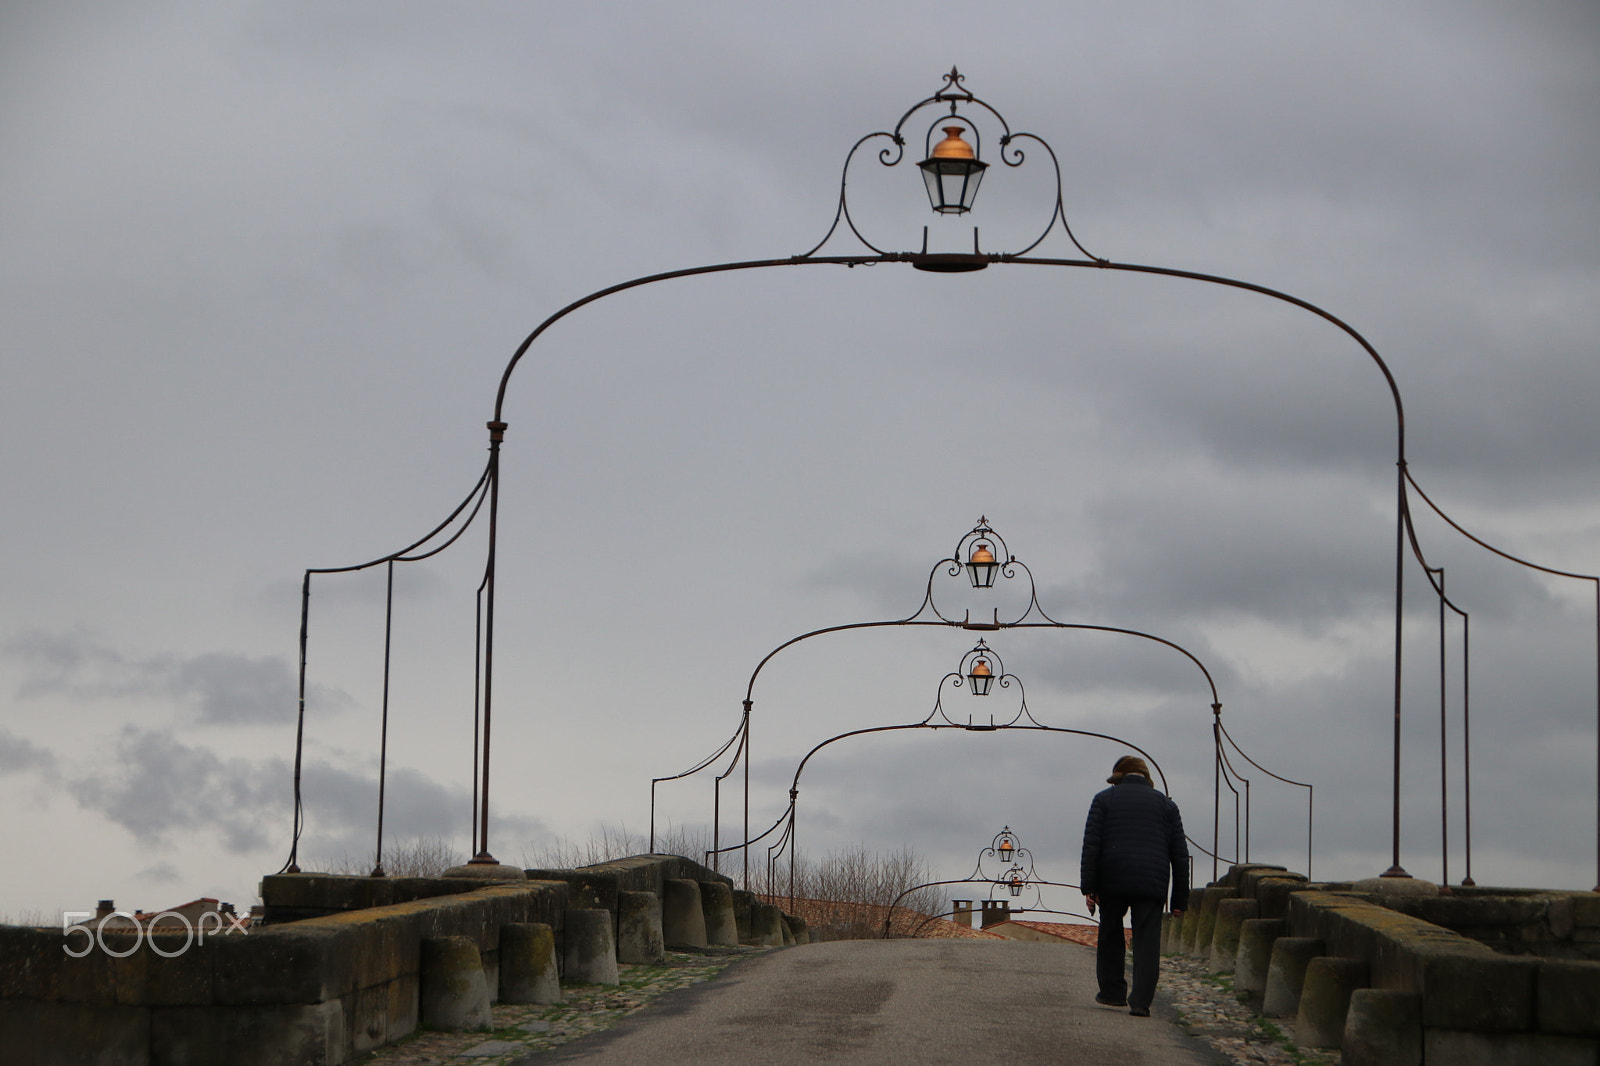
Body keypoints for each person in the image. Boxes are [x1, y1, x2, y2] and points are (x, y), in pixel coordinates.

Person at [1079, 754, 1189, 1017]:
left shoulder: (1103, 799)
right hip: (1152, 880)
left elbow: (1091, 845)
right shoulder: (1167, 806)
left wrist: (1089, 887)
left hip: (1113, 878)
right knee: (1147, 940)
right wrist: (1179, 901)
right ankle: (1141, 1002)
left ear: (1118, 778)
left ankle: (1112, 992)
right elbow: (1180, 855)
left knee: (1111, 934)